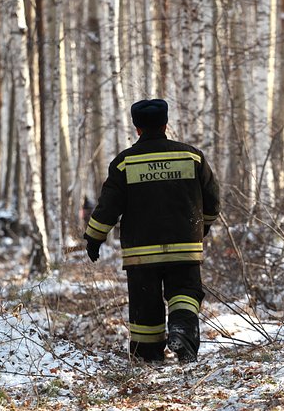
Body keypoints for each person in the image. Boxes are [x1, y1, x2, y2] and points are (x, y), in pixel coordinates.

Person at [83, 99, 220, 363]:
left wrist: (93, 238)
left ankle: (148, 357)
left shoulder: (124, 163)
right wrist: (202, 227)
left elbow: (108, 208)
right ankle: (181, 333)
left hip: (141, 253)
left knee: (145, 304)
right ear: (166, 124)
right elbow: (213, 201)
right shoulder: (192, 157)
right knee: (184, 293)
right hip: (184, 247)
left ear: (137, 129)